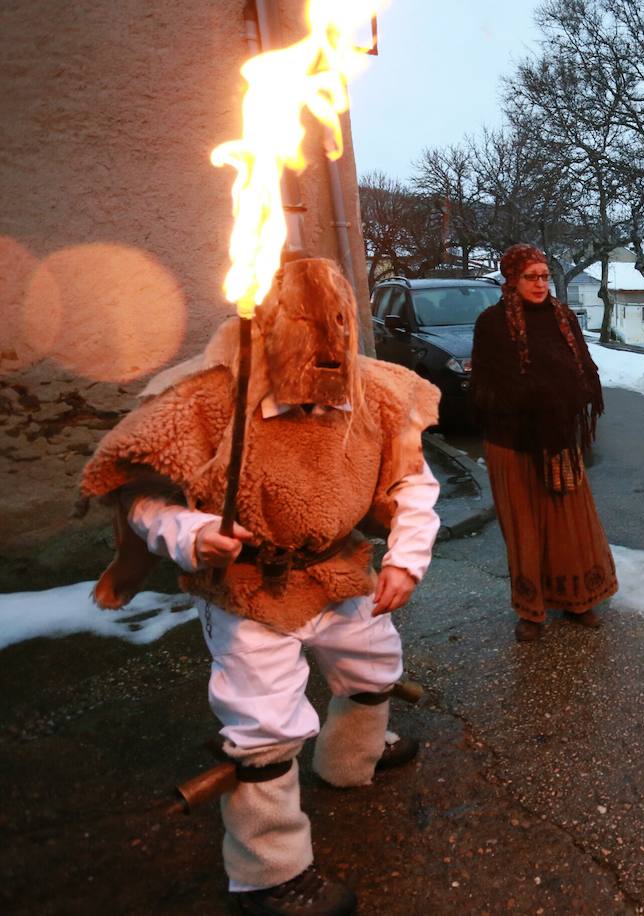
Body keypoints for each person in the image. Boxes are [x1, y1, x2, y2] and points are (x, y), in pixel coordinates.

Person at [80, 257, 441, 915]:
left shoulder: (374, 394)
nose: (328, 355)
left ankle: (351, 757)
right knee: (264, 724)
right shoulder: (204, 399)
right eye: (310, 331)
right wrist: (190, 533)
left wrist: (404, 558)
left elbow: (411, 481)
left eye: (338, 327)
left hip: (336, 567)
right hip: (246, 585)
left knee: (374, 663)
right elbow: (141, 499)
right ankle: (267, 875)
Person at [470, 243, 618, 642]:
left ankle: (578, 600)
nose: (539, 284)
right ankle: (531, 611)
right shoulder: (492, 324)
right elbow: (486, 387)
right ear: (512, 280)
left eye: (544, 276)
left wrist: (571, 394)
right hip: (513, 442)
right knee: (526, 528)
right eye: (530, 277)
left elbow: (584, 368)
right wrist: (534, 399)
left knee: (569, 523)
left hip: (559, 440)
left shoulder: (563, 317)